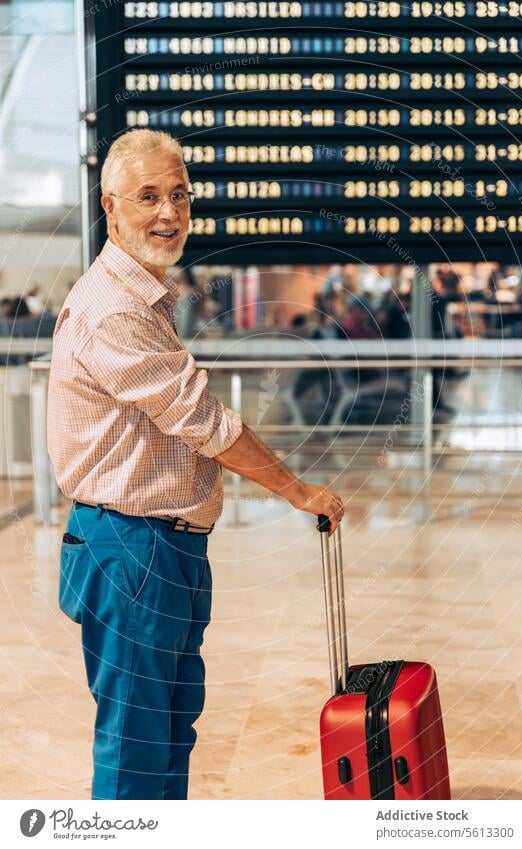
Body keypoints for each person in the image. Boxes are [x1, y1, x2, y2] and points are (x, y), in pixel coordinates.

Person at [46, 128, 344, 801]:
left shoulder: (146, 296)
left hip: (164, 547)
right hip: (132, 550)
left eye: (178, 194)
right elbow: (204, 421)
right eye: (148, 196)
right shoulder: (114, 309)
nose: (169, 212)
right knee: (137, 745)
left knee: (170, 732)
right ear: (110, 206)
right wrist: (297, 490)